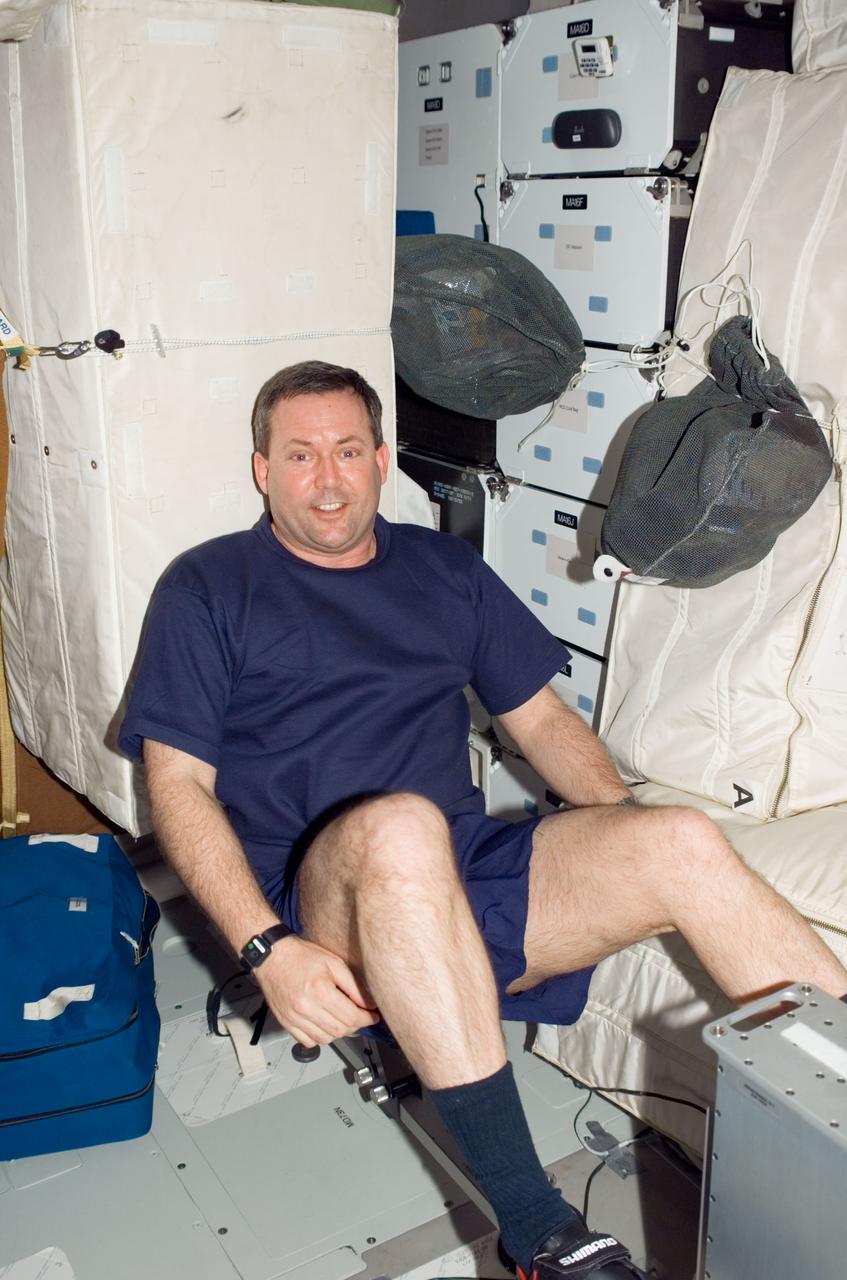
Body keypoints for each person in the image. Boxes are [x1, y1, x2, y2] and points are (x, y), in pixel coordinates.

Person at [120, 360, 847, 1280]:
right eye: (299, 455)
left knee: (679, 839)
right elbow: (176, 786)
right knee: (399, 829)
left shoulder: (441, 568)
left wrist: (617, 834)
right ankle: (538, 1230)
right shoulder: (208, 587)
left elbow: (539, 719)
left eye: (347, 450)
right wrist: (266, 951)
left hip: (459, 868)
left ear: (382, 459)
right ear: (262, 469)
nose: (328, 477)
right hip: (314, 904)